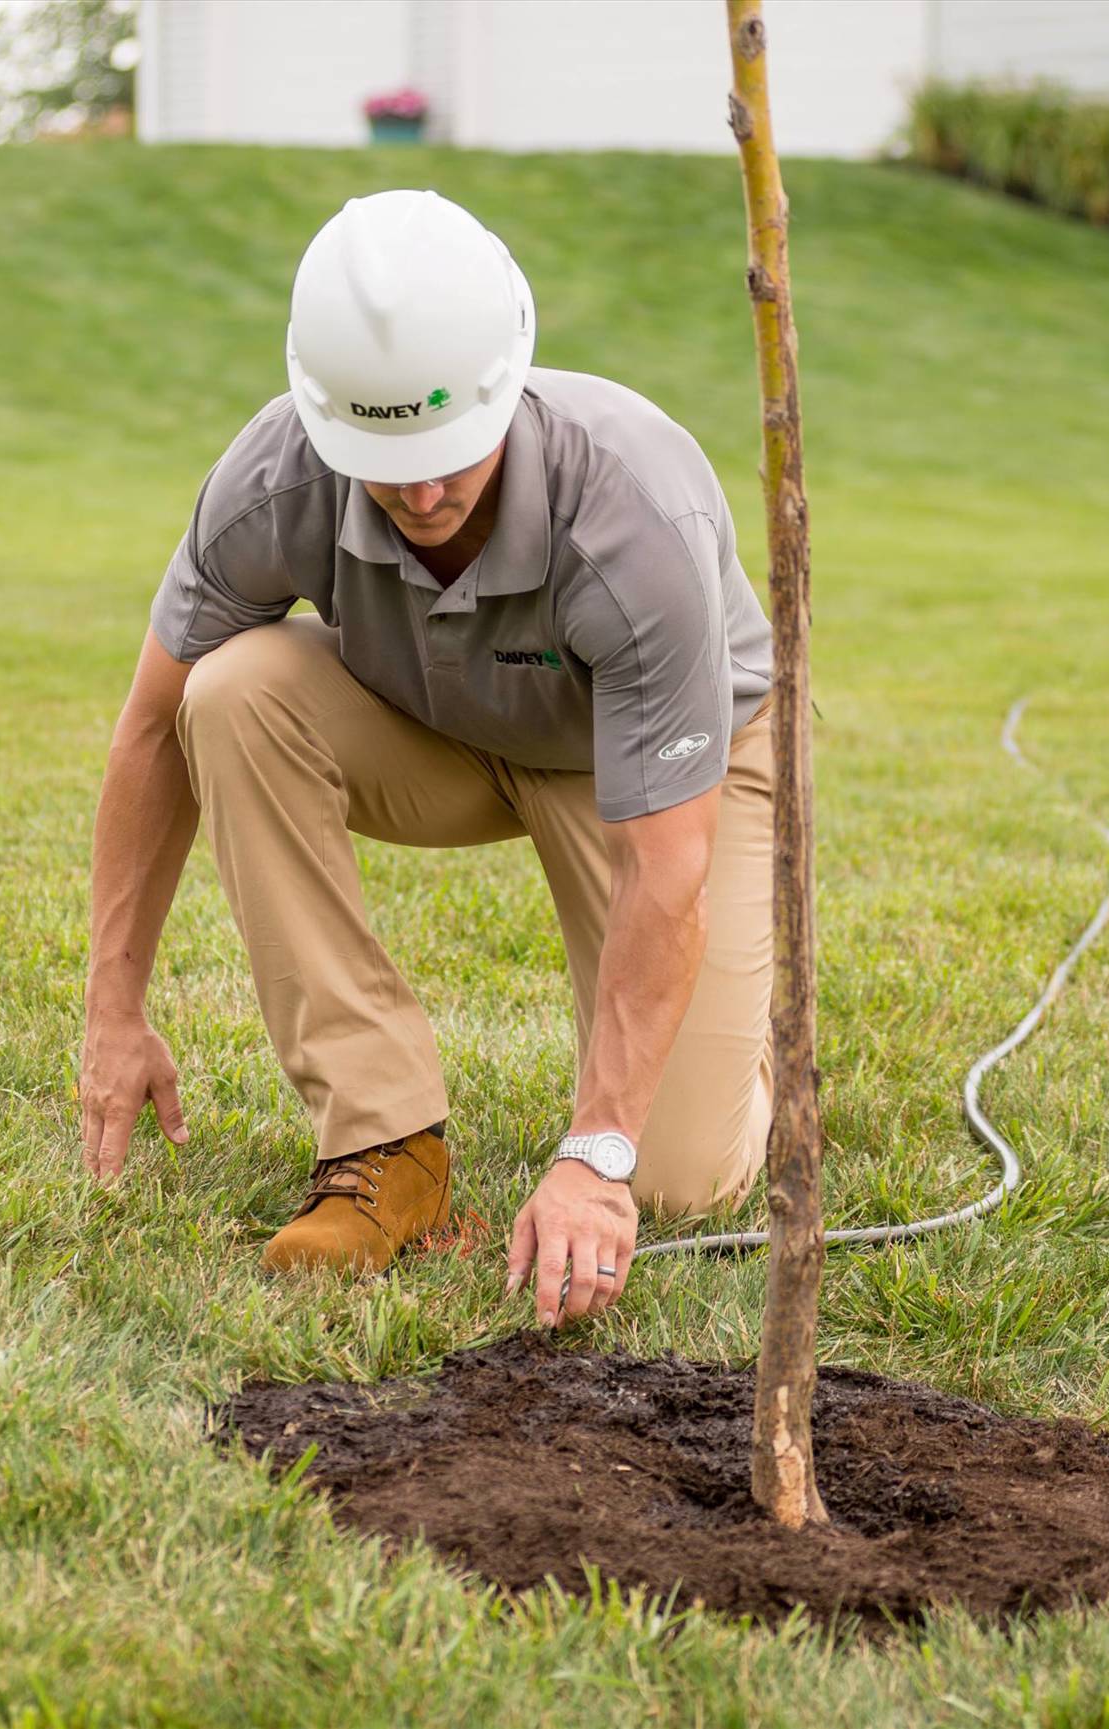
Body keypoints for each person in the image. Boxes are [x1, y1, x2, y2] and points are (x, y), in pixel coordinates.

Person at [77, 190, 775, 1328]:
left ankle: (748, 1040)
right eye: (382, 459)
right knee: (231, 689)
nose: (420, 492)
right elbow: (150, 728)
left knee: (672, 1176)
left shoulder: (636, 515)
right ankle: (384, 1140)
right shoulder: (272, 481)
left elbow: (666, 864)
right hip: (445, 726)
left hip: (644, 768)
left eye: (449, 452)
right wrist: (114, 1009)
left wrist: (595, 1152)